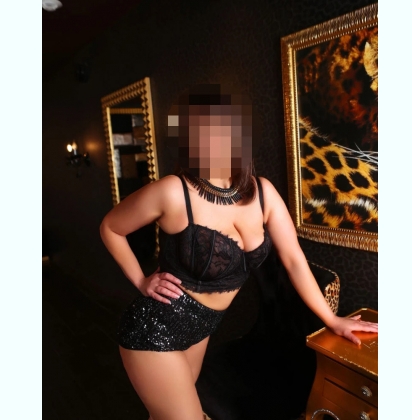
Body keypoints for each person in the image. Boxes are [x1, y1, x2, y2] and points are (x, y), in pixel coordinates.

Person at [100, 84, 378, 420]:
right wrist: (142, 281)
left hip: (202, 329)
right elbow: (111, 227)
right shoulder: (173, 192)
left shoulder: (263, 193)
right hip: (155, 329)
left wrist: (331, 319)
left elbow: (294, 260)